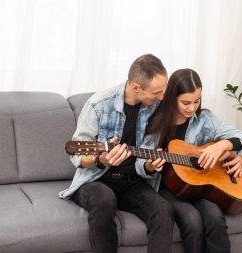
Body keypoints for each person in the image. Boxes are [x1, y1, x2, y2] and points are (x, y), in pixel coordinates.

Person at [59, 54, 174, 253]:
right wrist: (100, 159)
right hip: (97, 179)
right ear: (136, 87)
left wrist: (148, 165)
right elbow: (77, 152)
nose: (162, 97)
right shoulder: (99, 104)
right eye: (157, 92)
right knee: (103, 202)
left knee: (163, 210)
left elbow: (145, 158)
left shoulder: (156, 107)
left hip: (134, 182)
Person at [142, 68, 242, 253]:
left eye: (197, 101)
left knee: (215, 217)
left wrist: (223, 145)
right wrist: (149, 166)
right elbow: (141, 159)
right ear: (171, 98)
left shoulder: (204, 118)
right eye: (185, 102)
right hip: (166, 187)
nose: (192, 108)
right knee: (192, 220)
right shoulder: (154, 120)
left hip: (198, 186)